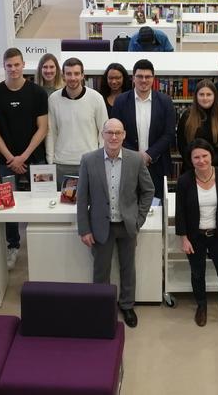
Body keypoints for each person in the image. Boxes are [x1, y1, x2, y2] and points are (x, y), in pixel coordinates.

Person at [76, 118, 155, 328]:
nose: (113, 137)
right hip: (101, 226)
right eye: (109, 132)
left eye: (117, 133)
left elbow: (148, 190)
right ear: (102, 134)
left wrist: (139, 219)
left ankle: (127, 306)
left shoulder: (135, 160)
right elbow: (82, 197)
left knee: (128, 268)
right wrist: (84, 229)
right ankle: (102, 307)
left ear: (124, 135)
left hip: (127, 225)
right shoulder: (88, 160)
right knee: (101, 270)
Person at [175, 139, 218, 332]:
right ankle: (202, 306)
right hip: (195, 236)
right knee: (197, 273)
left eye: (204, 156)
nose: (201, 160)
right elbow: (180, 212)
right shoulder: (184, 181)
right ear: (190, 160)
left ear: (211, 156)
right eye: (196, 157)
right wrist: (184, 238)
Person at [0, 47, 48, 269]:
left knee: (40, 202)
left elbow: (43, 128)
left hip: (36, 159)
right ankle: (13, 245)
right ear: (4, 67)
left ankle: (42, 244)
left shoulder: (38, 93)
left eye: (16, 64)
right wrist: (12, 158)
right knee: (8, 206)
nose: (13, 69)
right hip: (6, 162)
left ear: (23, 65)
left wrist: (24, 156)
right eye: (9, 65)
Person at [112, 58, 176, 199]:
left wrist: (149, 155)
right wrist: (136, 156)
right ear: (133, 78)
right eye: (139, 76)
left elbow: (169, 133)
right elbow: (116, 133)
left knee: (156, 206)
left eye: (148, 77)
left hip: (157, 165)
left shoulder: (165, 101)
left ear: (153, 79)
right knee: (129, 205)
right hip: (127, 164)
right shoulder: (121, 101)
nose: (144, 80)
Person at [46, 57, 107, 184]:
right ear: (63, 76)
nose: (72, 78)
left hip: (89, 162)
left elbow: (103, 131)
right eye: (68, 74)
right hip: (61, 163)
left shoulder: (96, 98)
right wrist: (50, 160)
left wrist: (100, 159)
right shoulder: (53, 99)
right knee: (62, 203)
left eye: (76, 73)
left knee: (90, 202)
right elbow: (51, 132)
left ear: (83, 75)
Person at [176, 79, 218, 175]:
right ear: (196, 97)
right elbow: (182, 145)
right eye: (201, 94)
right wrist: (195, 165)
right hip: (191, 169)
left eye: (209, 94)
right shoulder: (187, 116)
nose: (205, 98)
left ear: (215, 96)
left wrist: (214, 169)